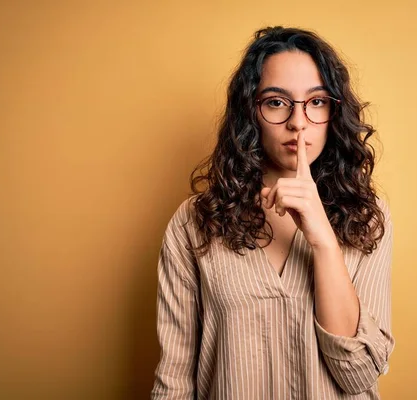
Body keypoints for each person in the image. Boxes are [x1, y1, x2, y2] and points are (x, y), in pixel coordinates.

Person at [151, 26, 394, 399]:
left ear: (333, 112)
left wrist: (324, 242)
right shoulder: (193, 223)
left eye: (316, 102)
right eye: (277, 102)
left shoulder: (368, 216)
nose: (298, 122)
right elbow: (174, 381)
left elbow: (358, 374)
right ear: (251, 113)